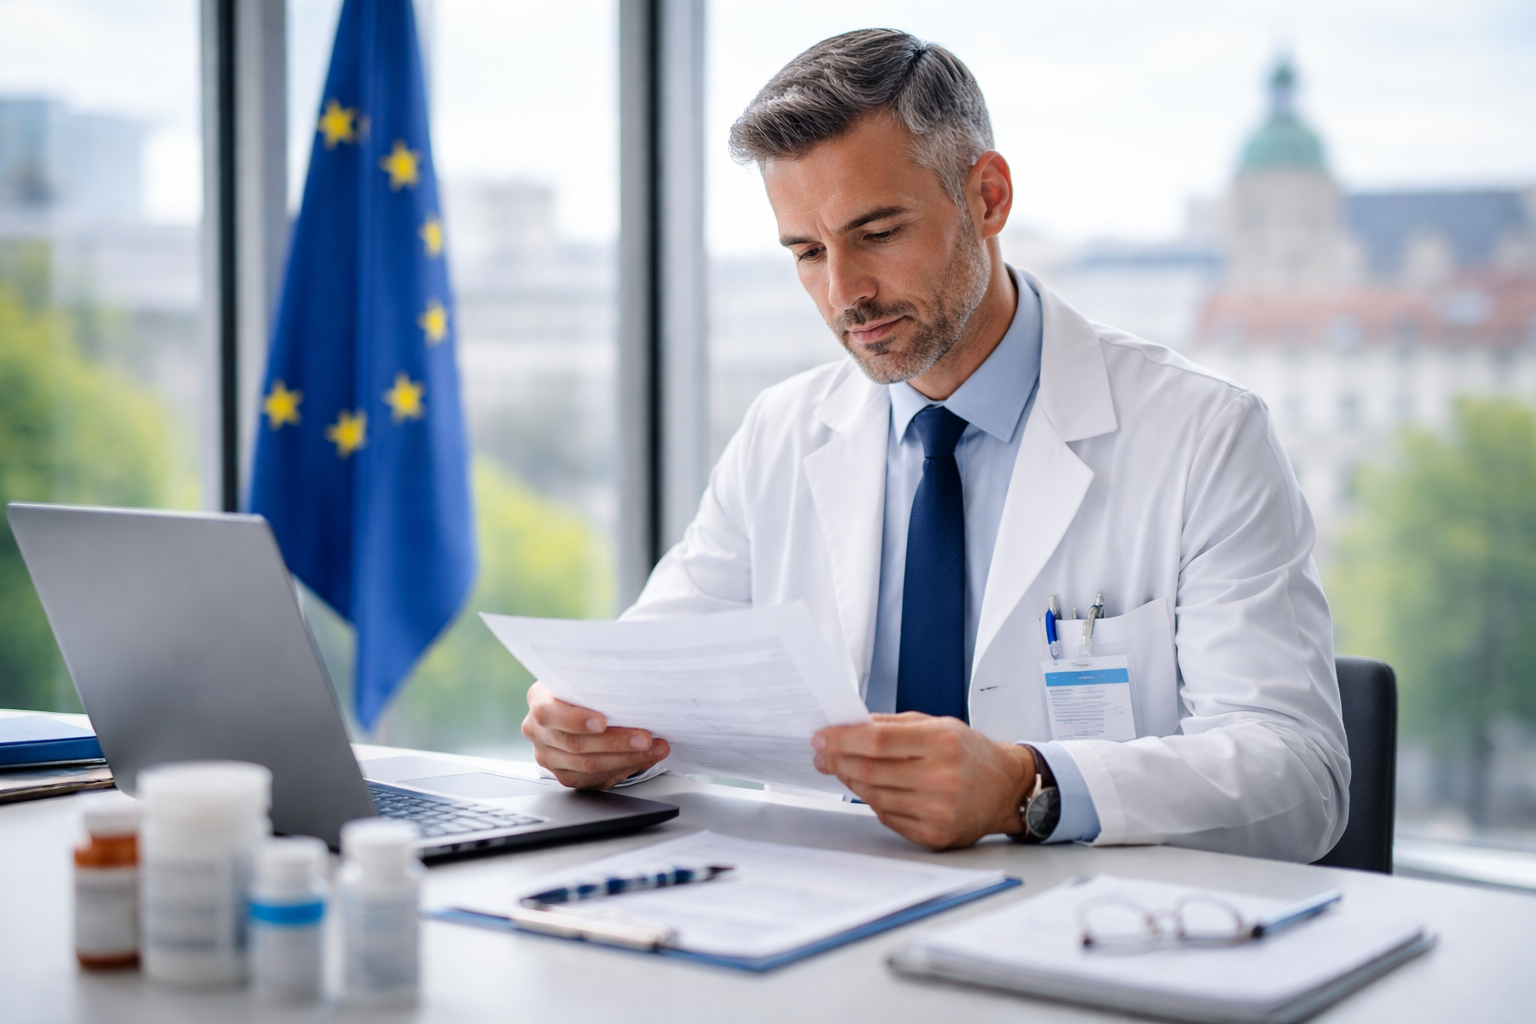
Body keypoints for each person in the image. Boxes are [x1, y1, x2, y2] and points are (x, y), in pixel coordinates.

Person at [522, 29, 1349, 861]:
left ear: (988, 197)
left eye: (877, 233)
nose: (845, 294)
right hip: (816, 919)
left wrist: (1029, 788)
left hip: (1088, 934)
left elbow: (1302, 778)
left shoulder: (1204, 436)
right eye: (807, 253)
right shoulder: (782, 432)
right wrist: (587, 731)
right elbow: (645, 676)